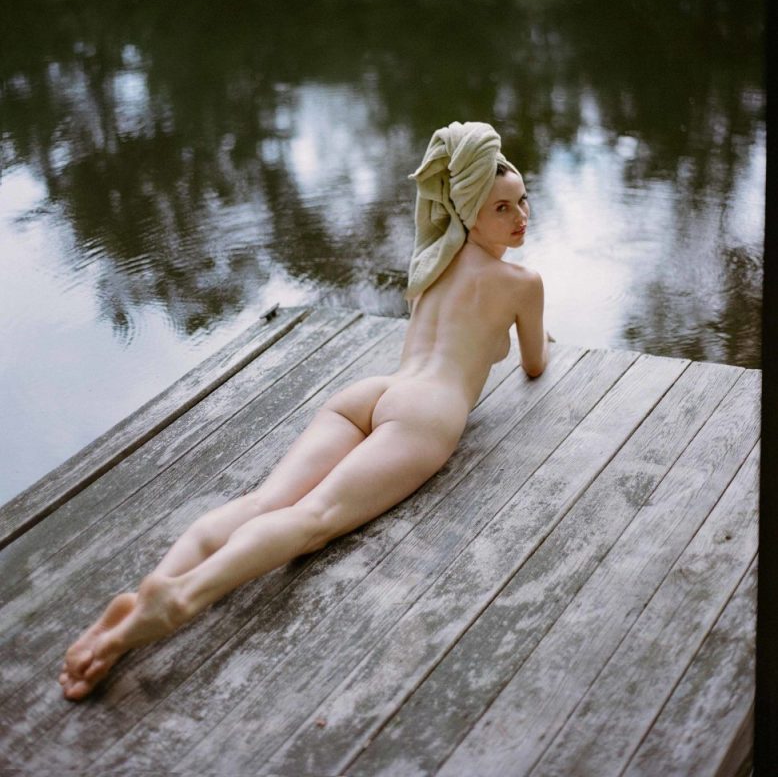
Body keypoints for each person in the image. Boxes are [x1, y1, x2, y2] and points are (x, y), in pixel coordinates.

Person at [59, 121, 551, 700]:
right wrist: (522, 336)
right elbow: (533, 364)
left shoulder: (433, 262)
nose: (520, 217)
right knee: (313, 520)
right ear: (469, 212)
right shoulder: (522, 283)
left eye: (523, 201)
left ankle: (146, 597)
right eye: (502, 208)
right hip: (426, 415)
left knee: (263, 502)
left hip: (373, 393)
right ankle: (180, 600)